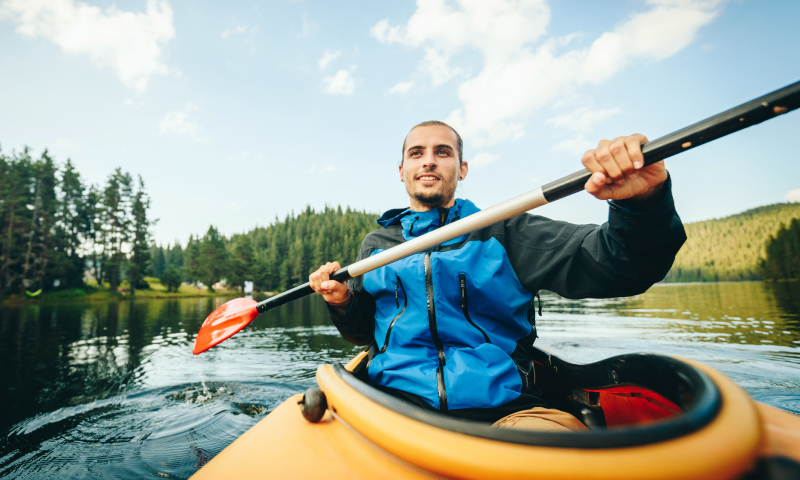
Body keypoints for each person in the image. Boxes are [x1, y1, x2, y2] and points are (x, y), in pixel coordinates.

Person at [309, 120, 685, 432]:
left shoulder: (505, 231)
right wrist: (342, 303)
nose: (429, 162)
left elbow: (622, 266)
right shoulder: (377, 246)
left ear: (462, 168)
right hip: (392, 403)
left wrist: (642, 203)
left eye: (443, 152)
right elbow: (362, 334)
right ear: (402, 171)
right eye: (416, 153)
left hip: (504, 409)